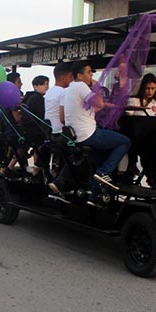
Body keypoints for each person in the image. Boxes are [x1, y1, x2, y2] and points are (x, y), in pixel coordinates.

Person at [60, 61, 131, 206]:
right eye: (88, 72)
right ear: (79, 75)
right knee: (125, 142)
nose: (92, 74)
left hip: (76, 135)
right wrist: (96, 86)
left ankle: (93, 196)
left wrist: (110, 105)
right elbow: (98, 104)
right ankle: (104, 173)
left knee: (100, 159)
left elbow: (95, 107)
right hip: (88, 134)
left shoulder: (70, 89)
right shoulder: (81, 86)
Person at [44, 63, 72, 135]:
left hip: (49, 129)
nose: (72, 79)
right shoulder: (64, 92)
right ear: (63, 78)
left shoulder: (49, 91)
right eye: (70, 77)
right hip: (60, 131)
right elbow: (63, 119)